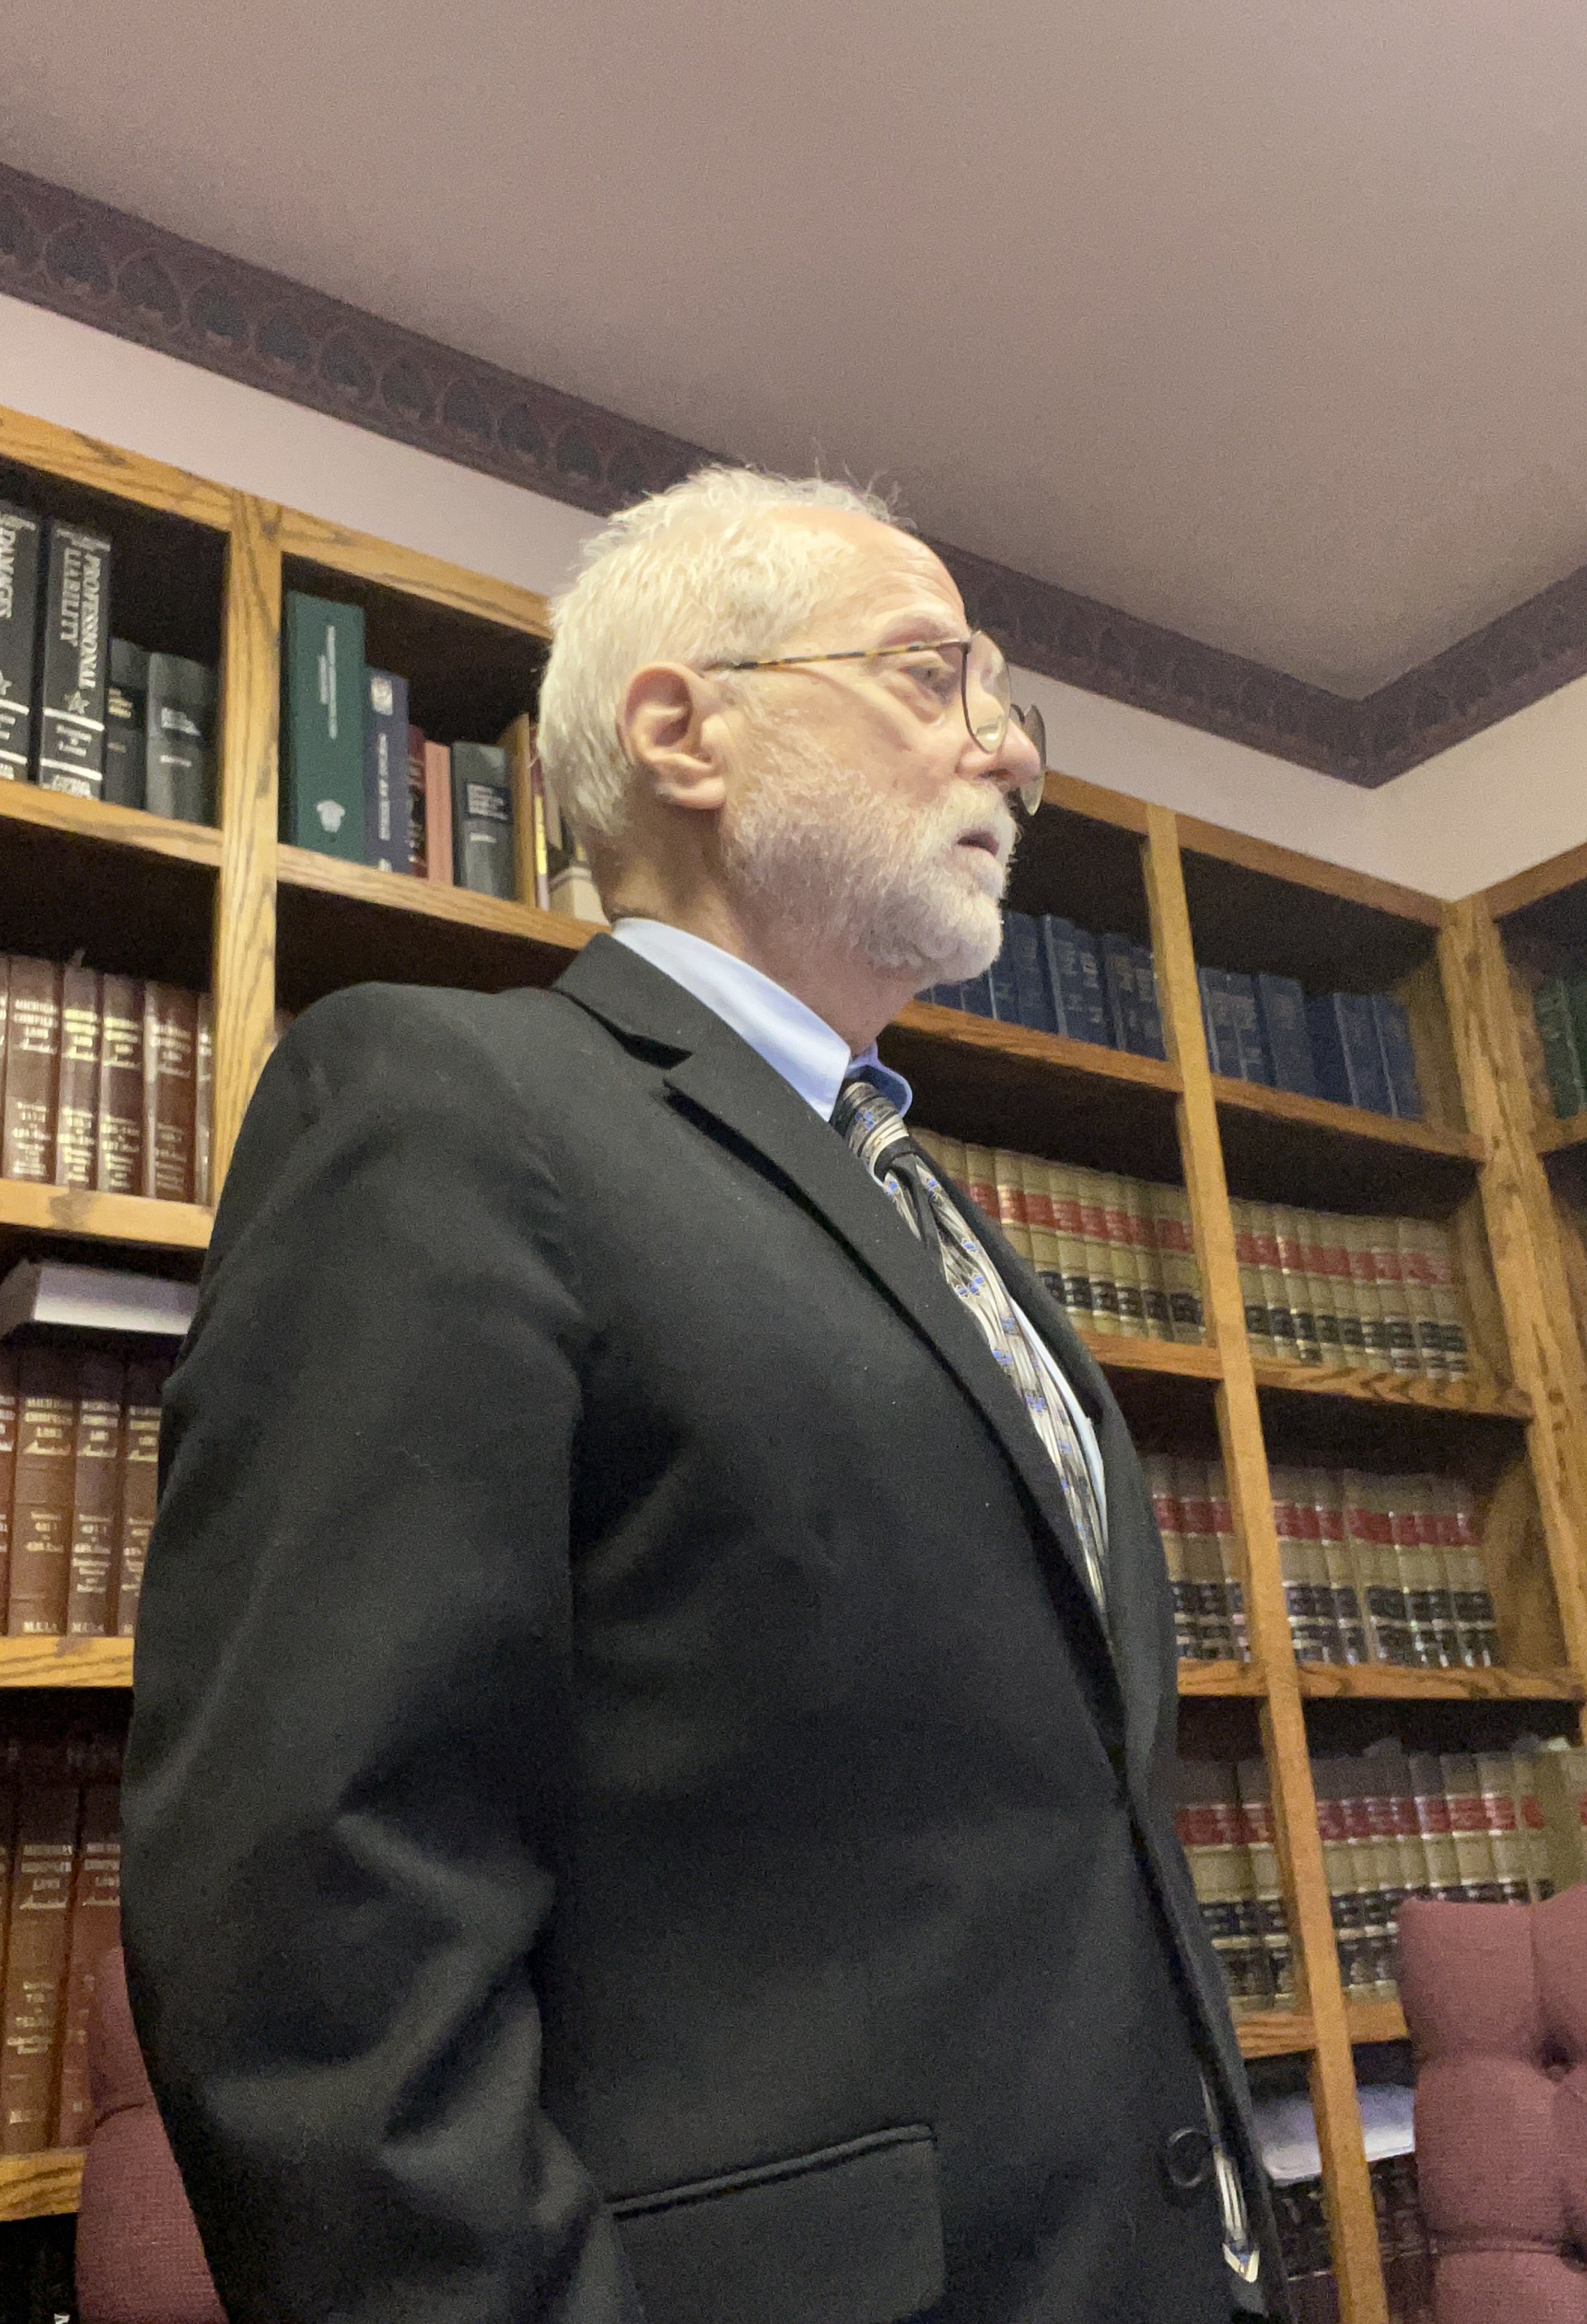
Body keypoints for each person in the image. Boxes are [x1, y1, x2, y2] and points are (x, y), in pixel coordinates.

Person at [122, 468, 1280, 2324]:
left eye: (1007, 710)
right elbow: (315, 1928)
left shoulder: (924, 1204)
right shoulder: (448, 1102)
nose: (1009, 755)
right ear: (683, 731)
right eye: (932, 674)